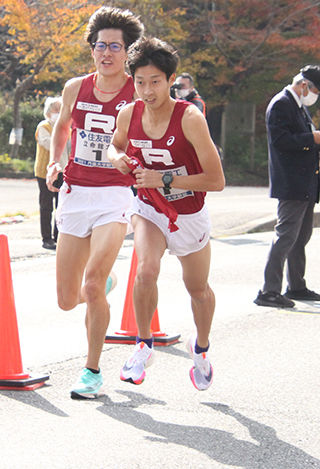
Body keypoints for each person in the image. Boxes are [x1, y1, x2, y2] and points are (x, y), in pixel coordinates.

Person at [108, 37, 225, 391]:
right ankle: (144, 345)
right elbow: (115, 145)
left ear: (170, 79)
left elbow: (217, 180)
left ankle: (200, 348)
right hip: (149, 208)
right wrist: (118, 160)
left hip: (189, 213)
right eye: (140, 82)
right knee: (145, 271)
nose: (147, 90)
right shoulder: (129, 113)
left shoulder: (189, 118)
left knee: (198, 289)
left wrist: (166, 178)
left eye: (155, 81)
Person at [46, 6, 144, 399]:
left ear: (127, 52)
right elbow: (63, 127)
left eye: (115, 47)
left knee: (89, 286)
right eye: (100, 45)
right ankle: (104, 282)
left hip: (115, 196)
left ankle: (91, 372)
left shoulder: (137, 92)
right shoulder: (75, 88)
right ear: (92, 49)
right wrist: (56, 160)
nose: (106, 53)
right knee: (68, 299)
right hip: (75, 193)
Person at [254, 65, 320, 309]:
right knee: (286, 235)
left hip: (304, 179)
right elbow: (281, 141)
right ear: (303, 85)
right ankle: (269, 290)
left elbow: (302, 139)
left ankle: (296, 285)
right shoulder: (282, 103)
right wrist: (312, 139)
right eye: (316, 90)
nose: (315, 96)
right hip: (291, 180)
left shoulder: (297, 106)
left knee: (301, 235)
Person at [34, 96, 68, 250]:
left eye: (61, 110)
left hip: (64, 171)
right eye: (56, 110)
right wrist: (60, 134)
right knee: (46, 205)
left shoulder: (68, 127)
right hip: (45, 172)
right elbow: (47, 144)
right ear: (48, 112)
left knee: (61, 205)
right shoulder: (44, 127)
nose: (59, 113)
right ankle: (46, 238)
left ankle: (58, 236)